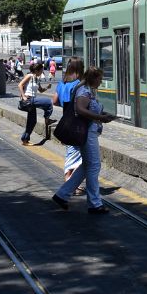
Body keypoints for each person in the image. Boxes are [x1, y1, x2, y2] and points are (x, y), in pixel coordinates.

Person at [51, 65, 115, 214]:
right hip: (86, 133)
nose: (101, 82)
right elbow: (80, 109)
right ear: (93, 78)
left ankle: (62, 195)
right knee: (93, 166)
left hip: (89, 132)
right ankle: (94, 204)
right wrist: (100, 117)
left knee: (87, 165)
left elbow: (87, 109)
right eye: (100, 79)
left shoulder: (87, 90)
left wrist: (103, 114)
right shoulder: (84, 91)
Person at [55, 58, 86, 195]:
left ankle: (71, 182)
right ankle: (69, 181)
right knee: (76, 153)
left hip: (65, 121)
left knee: (71, 151)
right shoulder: (78, 84)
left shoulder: (62, 83)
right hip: (77, 123)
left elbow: (54, 101)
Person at [18, 62, 54, 145]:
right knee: (49, 102)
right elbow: (20, 85)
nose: (42, 72)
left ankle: (25, 139)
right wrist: (23, 96)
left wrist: (47, 88)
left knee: (32, 121)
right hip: (29, 99)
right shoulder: (29, 76)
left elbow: (40, 90)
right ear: (37, 70)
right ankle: (47, 119)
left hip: (33, 101)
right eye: (41, 70)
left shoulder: (37, 79)